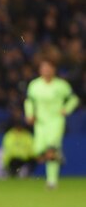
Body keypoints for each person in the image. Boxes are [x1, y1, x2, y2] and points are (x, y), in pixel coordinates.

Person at [24, 59, 79, 189]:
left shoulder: (61, 85)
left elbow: (74, 99)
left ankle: (52, 182)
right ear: (40, 70)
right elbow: (29, 101)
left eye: (49, 68)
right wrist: (29, 114)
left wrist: (66, 109)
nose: (46, 70)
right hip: (40, 122)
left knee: (50, 149)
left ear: (54, 70)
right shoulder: (34, 85)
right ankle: (57, 155)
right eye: (44, 68)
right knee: (38, 150)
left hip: (56, 121)